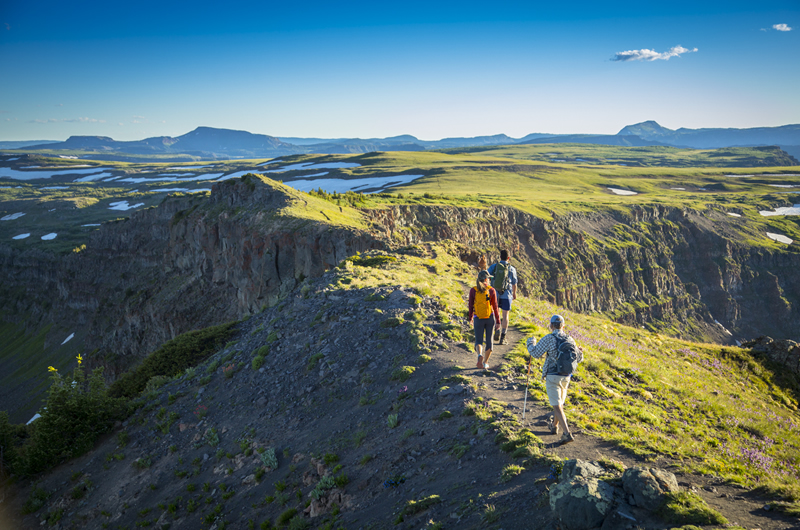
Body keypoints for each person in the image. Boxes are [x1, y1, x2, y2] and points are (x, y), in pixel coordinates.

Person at [526, 314, 583, 444]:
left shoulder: (549, 338)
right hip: (566, 376)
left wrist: (530, 343)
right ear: (563, 326)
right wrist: (581, 351)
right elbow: (579, 359)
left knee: (557, 405)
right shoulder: (570, 339)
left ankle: (567, 433)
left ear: (551, 326)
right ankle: (554, 426)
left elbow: (535, 353)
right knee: (559, 404)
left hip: (552, 375)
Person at [467, 270, 501, 370]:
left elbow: (470, 306)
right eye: (489, 278)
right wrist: (498, 321)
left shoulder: (473, 290)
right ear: (486, 279)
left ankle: (479, 355)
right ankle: (485, 362)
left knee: (479, 340)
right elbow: (495, 307)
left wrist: (470, 317)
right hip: (489, 318)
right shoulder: (491, 290)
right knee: (489, 341)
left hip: (478, 318)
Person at [488, 249, 517, 345]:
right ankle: (503, 338)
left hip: (495, 294)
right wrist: (514, 294)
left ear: (500, 257)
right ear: (508, 258)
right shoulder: (512, 269)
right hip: (507, 294)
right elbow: (514, 283)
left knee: (496, 313)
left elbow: (487, 276)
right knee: (505, 315)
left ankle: (496, 330)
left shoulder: (494, 266)